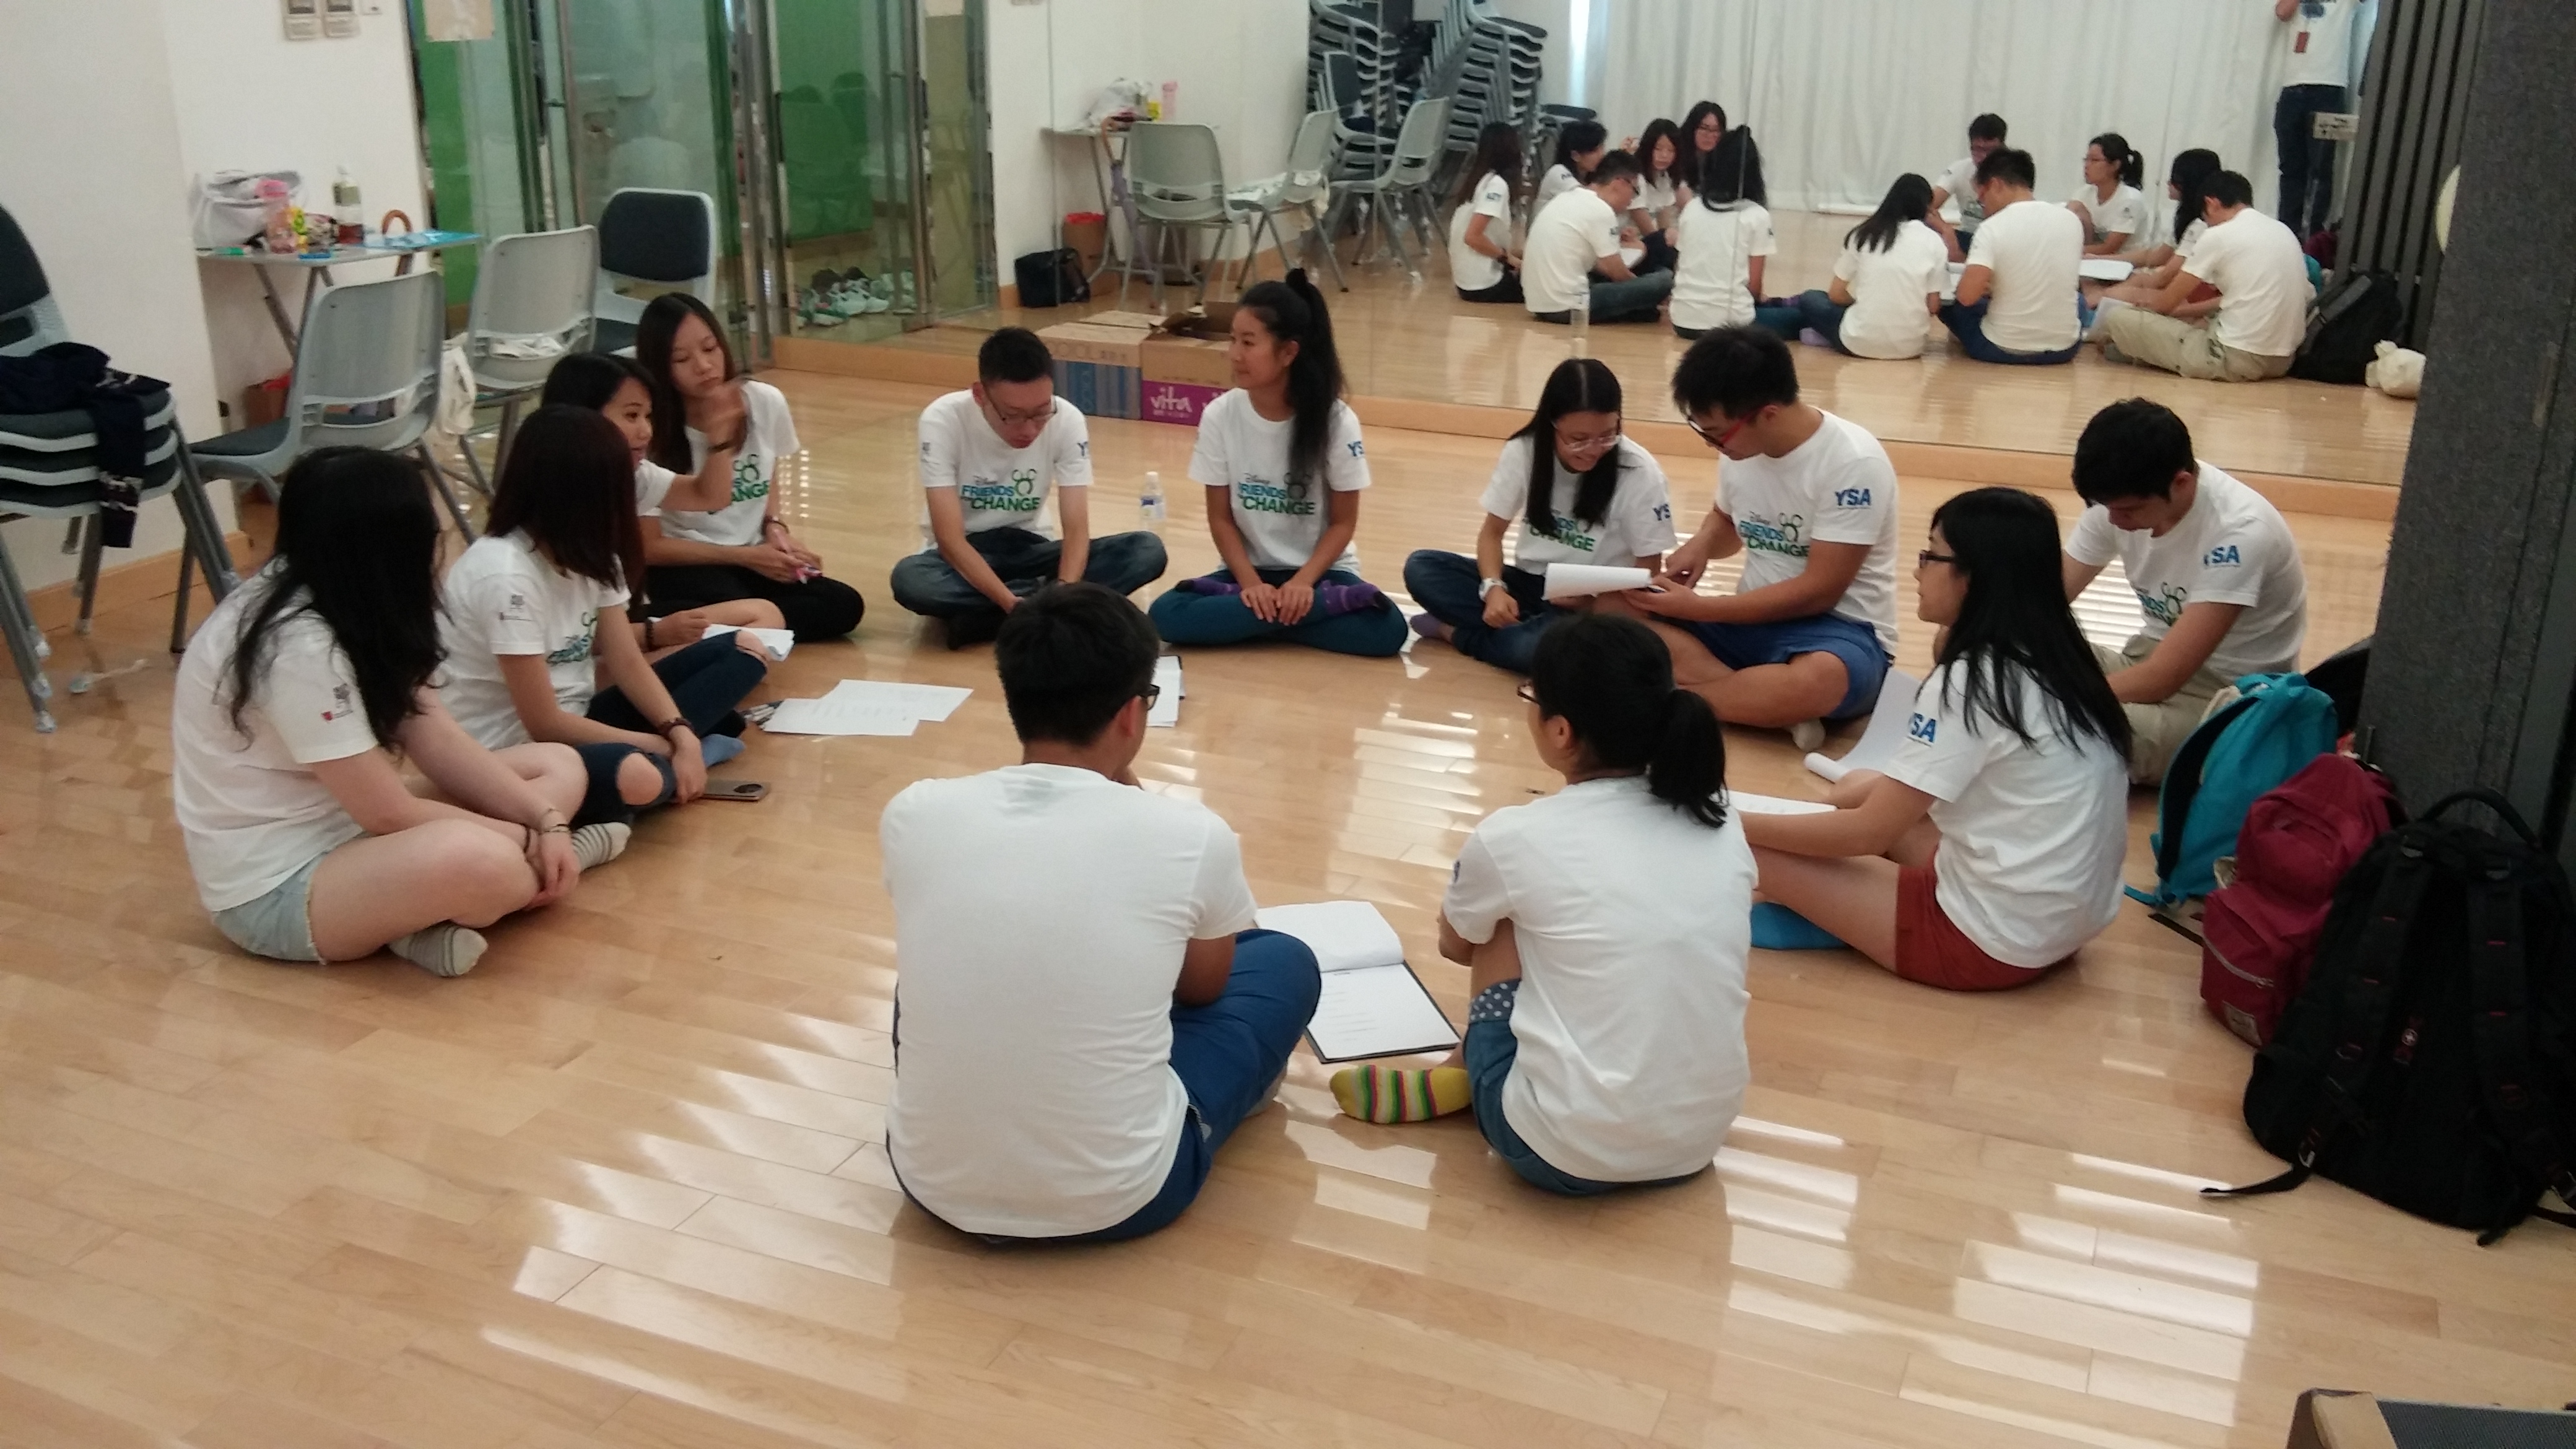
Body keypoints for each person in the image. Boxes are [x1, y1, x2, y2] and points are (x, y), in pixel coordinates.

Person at [882, 584, 1322, 1242]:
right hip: (1125, 1197)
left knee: (956, 964)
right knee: (1282, 960)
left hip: (930, 1184)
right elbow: (1201, 989)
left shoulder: (913, 811)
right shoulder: (1191, 834)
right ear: (1130, 715)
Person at [1326, 615, 1753, 1197]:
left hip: (1556, 1152)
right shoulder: (1720, 817)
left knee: (1502, 921)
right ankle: (1467, 1072)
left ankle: (1464, 1074)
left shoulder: (1517, 837)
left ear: (1560, 733)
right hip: (1696, 1141)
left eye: (1531, 695)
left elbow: (1457, 945)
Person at [171, 448, 628, 979]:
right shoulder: (297, 647)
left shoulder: (348, 597)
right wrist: (530, 840)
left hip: (354, 835)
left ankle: (416, 921)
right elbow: (385, 813)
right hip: (280, 890)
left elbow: (435, 737)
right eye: (429, 539)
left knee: (558, 767)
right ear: (388, 550)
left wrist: (545, 822)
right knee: (486, 861)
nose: (437, 554)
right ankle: (521, 876)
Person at [1739, 488, 2132, 991]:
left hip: (1986, 946)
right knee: (1861, 784)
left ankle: (1848, 919)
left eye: (1930, 555)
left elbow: (1866, 836)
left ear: (1975, 575)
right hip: (2061, 924)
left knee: (1753, 847)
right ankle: (1846, 911)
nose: (1917, 570)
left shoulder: (1973, 682)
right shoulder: (2060, 658)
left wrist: (1734, 820)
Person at [439, 406, 768, 827]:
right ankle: (640, 784)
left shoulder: (592, 554)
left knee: (743, 650)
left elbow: (627, 662)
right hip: (515, 752)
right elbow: (544, 723)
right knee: (638, 777)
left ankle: (675, 761)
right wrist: (661, 744)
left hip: (580, 718)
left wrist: (679, 732)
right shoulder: (505, 576)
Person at [1602, 326, 1899, 751]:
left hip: (1839, 634)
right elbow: (1727, 522)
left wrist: (1704, 609)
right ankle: (1764, 706)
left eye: (1717, 433)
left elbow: (1819, 592)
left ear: (1770, 413)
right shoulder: (1742, 448)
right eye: (1703, 431)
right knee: (1614, 608)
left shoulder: (1853, 463)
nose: (1713, 445)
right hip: (1751, 623)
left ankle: (1672, 700)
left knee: (1820, 679)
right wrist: (1701, 545)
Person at [1147, 272, 1408, 657]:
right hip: (1244, 576)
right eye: (1233, 339)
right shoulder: (1220, 415)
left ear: (1288, 353)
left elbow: (1343, 523)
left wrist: (1302, 584)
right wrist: (1252, 585)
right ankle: (1292, 620)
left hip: (1322, 575)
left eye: (1249, 342)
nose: (1234, 353)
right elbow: (1220, 518)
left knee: (1388, 630)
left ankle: (1252, 625)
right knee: (1165, 615)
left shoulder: (1337, 421)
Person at [2063, 399, 2309, 783]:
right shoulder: (2119, 497)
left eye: (2128, 511)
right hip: (2144, 660)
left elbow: (2165, 677)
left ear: (2182, 483)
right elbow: (2043, 604)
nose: (2112, 520)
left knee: (2074, 726)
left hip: (2227, 695)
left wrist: (2051, 696)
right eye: (2104, 507)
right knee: (2000, 653)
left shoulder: (2240, 531)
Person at [890, 328, 1168, 646]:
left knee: (1146, 550)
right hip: (962, 555)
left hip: (1032, 547)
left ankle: (985, 619)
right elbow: (950, 540)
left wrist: (1065, 589)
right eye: (1013, 416)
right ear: (980, 395)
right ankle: (1037, 609)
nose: (1030, 429)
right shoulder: (942, 420)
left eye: (1041, 413)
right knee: (912, 581)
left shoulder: (1068, 420)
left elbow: (1076, 528)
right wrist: (1010, 603)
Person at [1403, 359, 1677, 673]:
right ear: (1551, 424)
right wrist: (1493, 589)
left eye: (1608, 435)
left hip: (1593, 602)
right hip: (1528, 585)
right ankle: (1522, 631)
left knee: (1533, 650)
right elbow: (1492, 533)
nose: (1594, 449)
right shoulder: (1525, 451)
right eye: (1578, 439)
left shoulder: (1639, 472)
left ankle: (1457, 634)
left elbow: (1648, 569)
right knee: (1423, 567)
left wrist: (1594, 603)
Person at [633, 292, 866, 641]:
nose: (704, 366)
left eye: (710, 349)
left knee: (843, 604)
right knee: (734, 599)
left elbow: (767, 472)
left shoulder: (762, 400)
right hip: (689, 562)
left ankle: (749, 627)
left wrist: (775, 528)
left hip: (753, 552)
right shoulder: (649, 431)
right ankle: (725, 625)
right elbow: (652, 547)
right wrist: (744, 557)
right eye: (682, 359)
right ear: (660, 367)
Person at [539, 352, 790, 660]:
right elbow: (562, 638)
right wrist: (654, 634)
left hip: (619, 631)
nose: (646, 431)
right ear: (583, 417)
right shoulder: (552, 504)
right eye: (632, 416)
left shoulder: (636, 475)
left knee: (764, 614)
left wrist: (719, 438)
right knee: (740, 650)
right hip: (579, 657)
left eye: (648, 416)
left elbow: (709, 496)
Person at [2099, 172, 2310, 382]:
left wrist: (2139, 306)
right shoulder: (2283, 230)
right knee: (2193, 323)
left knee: (2118, 319)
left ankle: (2127, 347)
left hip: (2233, 358)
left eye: (2206, 218)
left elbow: (2165, 304)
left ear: (2211, 204)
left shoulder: (2219, 235)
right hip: (2283, 360)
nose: (2207, 225)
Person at [1772, 173, 1947, 359]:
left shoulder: (1865, 234)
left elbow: (1836, 294)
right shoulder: (1934, 242)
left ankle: (1822, 333)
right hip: (1911, 348)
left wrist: (1859, 305)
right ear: (1926, 207)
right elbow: (1933, 306)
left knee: (1812, 299)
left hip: (1858, 342)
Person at [1938, 147, 2085, 365]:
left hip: (2001, 348)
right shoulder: (2071, 220)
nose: (1982, 205)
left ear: (1996, 185)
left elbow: (1967, 297)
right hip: (2064, 349)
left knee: (1948, 302)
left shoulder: (1992, 227)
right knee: (2078, 300)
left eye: (1982, 196)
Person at [1520, 151, 1673, 326]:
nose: (1632, 200)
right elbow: (1616, 273)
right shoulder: (1600, 210)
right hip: (1572, 307)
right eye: (1635, 191)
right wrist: (1647, 292)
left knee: (1642, 293)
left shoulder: (1568, 197)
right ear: (1620, 183)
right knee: (1664, 279)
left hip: (1539, 305)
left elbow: (1600, 266)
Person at [1669, 129, 1783, 340]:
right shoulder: (1756, 215)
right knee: (1797, 314)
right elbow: (1755, 287)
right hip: (1732, 326)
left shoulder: (1692, 207)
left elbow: (1679, 267)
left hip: (1682, 320)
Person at [2091, 150, 2224, 310]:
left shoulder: (2201, 225)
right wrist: (2098, 259)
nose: (2168, 183)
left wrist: (2115, 287)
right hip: (2174, 282)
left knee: (2109, 296)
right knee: (2102, 286)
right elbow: (2157, 256)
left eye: (2174, 178)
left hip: (2192, 294)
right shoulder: (2185, 217)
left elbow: (2165, 277)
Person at [2275, 0, 2361, 238]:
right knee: (2290, 167)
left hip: (2328, 89)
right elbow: (2282, 12)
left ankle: (2313, 237)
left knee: (2320, 169)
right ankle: (2286, 233)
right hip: (2292, 88)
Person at [1448, 121, 1526, 305]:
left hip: (1466, 284)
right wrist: (1508, 259)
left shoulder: (1477, 180)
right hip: (1485, 284)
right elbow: (1473, 237)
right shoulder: (1497, 186)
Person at [1928, 113, 2009, 261]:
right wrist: (1944, 228)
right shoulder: (1960, 169)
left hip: (2000, 241)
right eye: (1977, 150)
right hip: (1968, 237)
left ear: (2003, 148)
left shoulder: (2013, 177)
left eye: (1989, 151)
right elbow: (1928, 205)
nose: (1983, 157)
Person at [2068, 133, 2148, 257]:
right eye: (2086, 159)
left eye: (2094, 160)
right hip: (2090, 260)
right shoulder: (2084, 193)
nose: (2087, 165)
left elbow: (2109, 248)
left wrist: (2066, 250)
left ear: (2115, 165)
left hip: (2123, 264)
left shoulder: (2131, 199)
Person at [1626, 117, 1685, 274]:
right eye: (1658, 149)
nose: (1664, 155)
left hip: (1650, 244)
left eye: (1671, 150)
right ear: (1648, 148)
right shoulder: (1635, 176)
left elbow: (1665, 221)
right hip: (1629, 244)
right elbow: (1647, 229)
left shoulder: (1665, 178)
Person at [1533, 118, 1606, 217]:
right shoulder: (1557, 172)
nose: (1602, 155)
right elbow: (1589, 199)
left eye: (1602, 148)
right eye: (1595, 151)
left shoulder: (1588, 175)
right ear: (1576, 155)